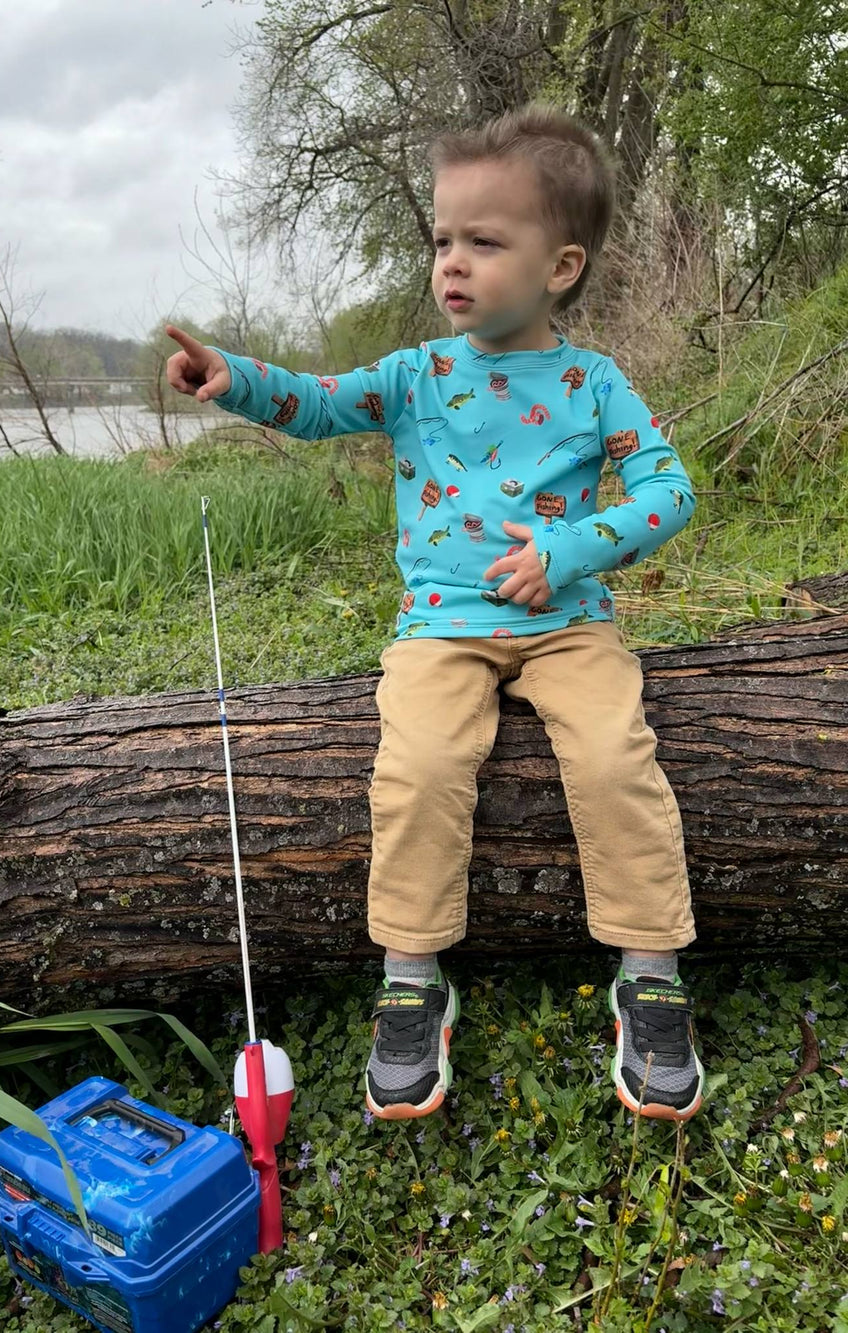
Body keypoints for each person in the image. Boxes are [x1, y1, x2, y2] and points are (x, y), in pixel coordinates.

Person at [164, 102, 705, 1125]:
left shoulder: (593, 383)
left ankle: (651, 972)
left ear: (560, 266)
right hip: (441, 628)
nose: (452, 261)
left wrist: (570, 550)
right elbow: (320, 401)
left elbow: (668, 490)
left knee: (613, 756)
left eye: (484, 241)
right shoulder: (417, 375)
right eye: (443, 239)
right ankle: (411, 978)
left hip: (570, 621)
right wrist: (236, 380)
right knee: (417, 765)